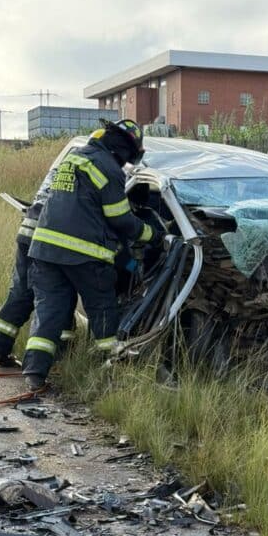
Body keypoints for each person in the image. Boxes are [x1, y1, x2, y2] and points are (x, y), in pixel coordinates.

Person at [21, 119, 160, 391]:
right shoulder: (108, 168)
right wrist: (154, 236)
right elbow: (120, 219)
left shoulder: (75, 158)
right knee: (102, 307)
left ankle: (34, 374)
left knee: (49, 310)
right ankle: (106, 367)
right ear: (125, 150)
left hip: (45, 249)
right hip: (84, 254)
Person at [0, 168, 76, 367]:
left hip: (30, 229)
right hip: (51, 238)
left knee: (21, 290)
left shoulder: (68, 164)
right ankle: (58, 355)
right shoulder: (99, 167)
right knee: (59, 296)